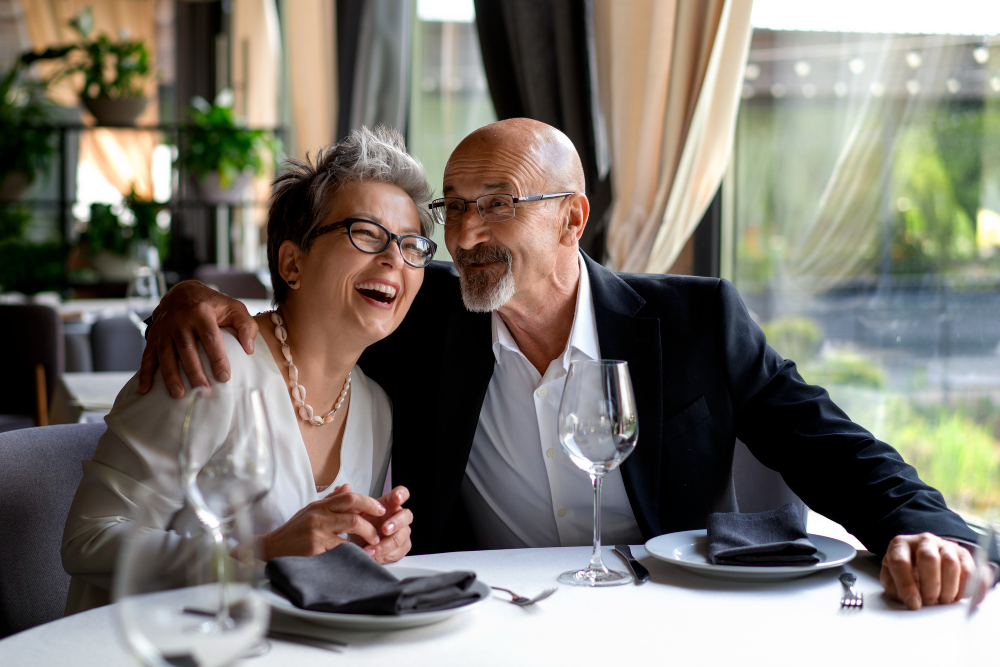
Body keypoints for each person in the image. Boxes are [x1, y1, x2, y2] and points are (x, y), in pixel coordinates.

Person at [141, 118, 996, 611]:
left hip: (666, 628)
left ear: (572, 218)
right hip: (483, 632)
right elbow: (315, 304)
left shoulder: (695, 321)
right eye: (455, 207)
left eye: (499, 204)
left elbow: (834, 448)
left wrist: (939, 533)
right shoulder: (423, 313)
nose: (466, 234)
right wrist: (190, 298)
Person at [62, 126, 436, 613]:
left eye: (413, 246)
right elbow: (89, 540)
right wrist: (262, 552)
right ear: (291, 263)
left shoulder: (375, 408)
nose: (393, 259)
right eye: (365, 233)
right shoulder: (210, 365)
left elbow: (317, 568)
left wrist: (372, 544)